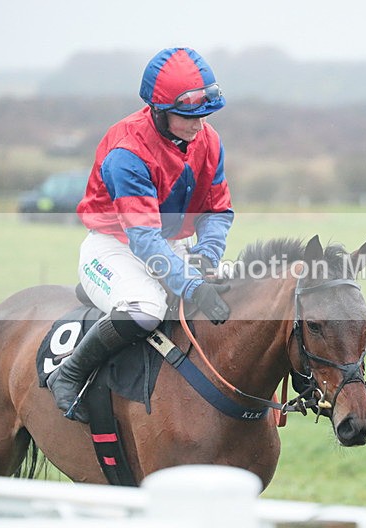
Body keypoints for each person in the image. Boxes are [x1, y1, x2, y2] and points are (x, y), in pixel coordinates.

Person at [47, 47, 234, 423]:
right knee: (148, 309)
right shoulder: (127, 150)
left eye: (204, 116)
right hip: (115, 245)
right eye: (187, 117)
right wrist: (192, 286)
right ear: (159, 110)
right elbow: (144, 239)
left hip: (168, 244)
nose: (198, 127)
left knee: (237, 281)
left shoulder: (209, 141)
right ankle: (69, 374)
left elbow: (217, 210)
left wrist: (207, 257)